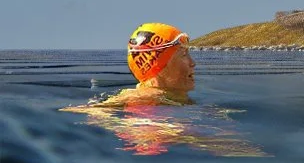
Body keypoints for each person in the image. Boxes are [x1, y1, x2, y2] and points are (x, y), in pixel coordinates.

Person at [61, 23, 263, 155]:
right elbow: (86, 111)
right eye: (183, 56)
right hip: (159, 149)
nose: (193, 64)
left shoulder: (169, 96)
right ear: (159, 65)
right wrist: (176, 132)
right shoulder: (146, 95)